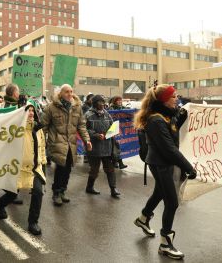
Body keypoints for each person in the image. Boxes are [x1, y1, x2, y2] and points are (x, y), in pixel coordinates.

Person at [133, 84, 196, 260]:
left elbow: (175, 126)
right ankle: (165, 244)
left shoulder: (167, 116)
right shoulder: (156, 120)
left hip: (164, 162)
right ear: (163, 100)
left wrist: (184, 113)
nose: (177, 98)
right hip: (160, 163)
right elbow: (169, 149)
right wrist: (188, 168)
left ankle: (143, 218)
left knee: (160, 192)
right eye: (173, 96)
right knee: (172, 202)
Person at [0, 102, 47, 235]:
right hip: (18, 169)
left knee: (38, 192)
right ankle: (0, 205)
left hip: (35, 169)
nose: (30, 113)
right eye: (28, 110)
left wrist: (43, 164)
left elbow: (41, 149)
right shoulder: (15, 129)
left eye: (32, 110)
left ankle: (33, 222)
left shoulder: (39, 129)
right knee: (12, 194)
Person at [41, 84, 92, 206]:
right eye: (66, 92)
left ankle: (63, 191)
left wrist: (87, 140)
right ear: (61, 94)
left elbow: (81, 126)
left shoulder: (77, 107)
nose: (69, 94)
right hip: (57, 142)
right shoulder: (51, 107)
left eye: (71, 91)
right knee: (61, 168)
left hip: (71, 143)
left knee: (68, 168)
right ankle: (56, 193)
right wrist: (41, 144)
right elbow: (43, 126)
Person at [84, 95, 121, 198]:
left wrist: (114, 131)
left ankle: (113, 189)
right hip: (94, 148)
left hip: (107, 147)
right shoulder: (88, 115)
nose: (102, 104)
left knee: (110, 169)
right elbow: (84, 130)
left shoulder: (107, 114)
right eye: (100, 102)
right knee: (94, 170)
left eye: (103, 102)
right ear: (95, 103)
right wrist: (95, 135)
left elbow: (112, 125)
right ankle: (89, 187)